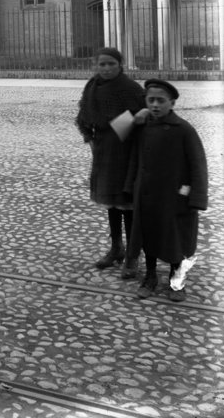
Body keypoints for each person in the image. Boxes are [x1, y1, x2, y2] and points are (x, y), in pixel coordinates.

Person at [125, 78, 208, 302]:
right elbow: (117, 134)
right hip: (147, 194)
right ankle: (150, 276)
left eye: (161, 101)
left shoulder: (183, 129)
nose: (155, 105)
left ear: (172, 103)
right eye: (150, 100)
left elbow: (198, 164)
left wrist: (197, 197)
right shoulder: (142, 126)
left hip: (174, 197)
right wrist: (134, 118)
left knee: (175, 239)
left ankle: (176, 280)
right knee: (149, 235)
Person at [75, 47, 147, 277]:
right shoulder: (92, 87)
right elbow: (84, 114)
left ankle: (133, 255)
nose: (106, 69)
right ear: (95, 65)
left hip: (127, 151)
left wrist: (117, 127)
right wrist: (91, 136)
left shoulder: (129, 88)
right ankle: (116, 247)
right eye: (102, 64)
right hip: (104, 150)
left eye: (111, 64)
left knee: (127, 204)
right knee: (111, 203)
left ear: (120, 65)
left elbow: (142, 114)